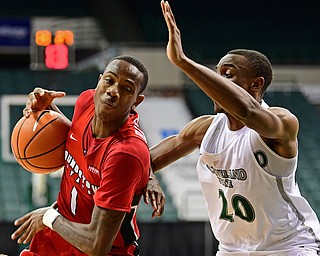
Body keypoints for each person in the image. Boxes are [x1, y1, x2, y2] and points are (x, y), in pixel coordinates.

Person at [148, 1, 320, 255]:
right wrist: (149, 178)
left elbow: (248, 111)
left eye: (226, 75)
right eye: (217, 74)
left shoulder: (282, 122)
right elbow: (142, 161)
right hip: (232, 249)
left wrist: (184, 63)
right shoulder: (204, 129)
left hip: (288, 246)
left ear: (255, 84)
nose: (217, 82)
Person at [11, 55, 164, 256]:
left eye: (126, 89)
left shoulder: (125, 153)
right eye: (109, 80)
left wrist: (48, 217)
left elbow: (97, 245)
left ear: (137, 100)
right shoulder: (86, 102)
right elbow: (75, 138)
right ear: (99, 80)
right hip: (60, 237)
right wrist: (46, 110)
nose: (113, 91)